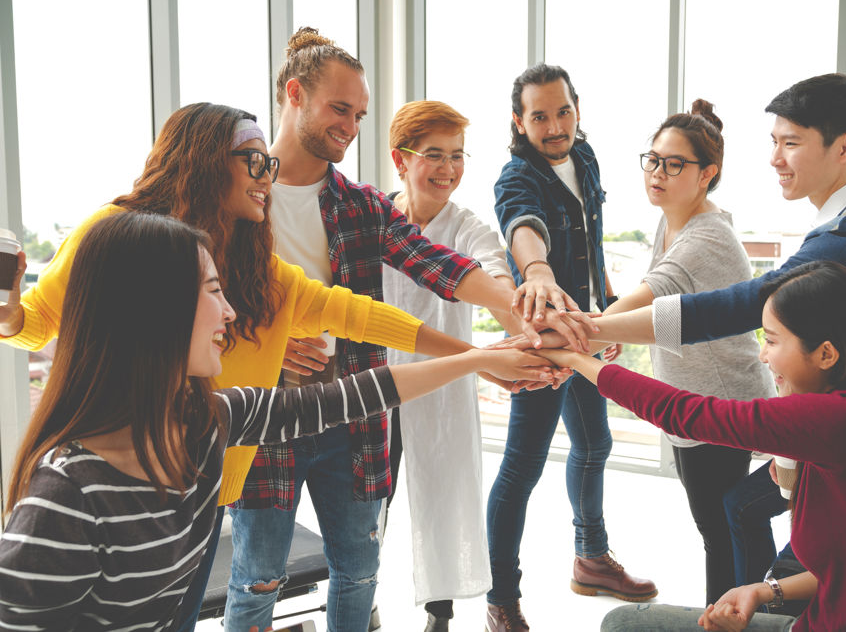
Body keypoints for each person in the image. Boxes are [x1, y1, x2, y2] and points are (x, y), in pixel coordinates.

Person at [0, 103, 472, 630]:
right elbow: (37, 323)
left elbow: (354, 330)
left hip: (205, 482)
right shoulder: (120, 240)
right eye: (254, 161)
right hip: (144, 470)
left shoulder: (229, 383)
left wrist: (475, 357)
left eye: (267, 164)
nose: (268, 175)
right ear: (203, 160)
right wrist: (12, 312)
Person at [505, 73, 846, 602]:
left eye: (791, 144)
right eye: (774, 142)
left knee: (811, 577)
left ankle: (759, 606)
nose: (775, 158)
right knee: (743, 507)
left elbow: (738, 305)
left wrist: (588, 332)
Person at [0, 211, 555, 631]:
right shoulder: (66, 498)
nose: (231, 311)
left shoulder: (204, 422)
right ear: (156, 311)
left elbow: (350, 396)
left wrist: (481, 359)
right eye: (215, 292)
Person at [231, 29, 584, 632]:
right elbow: (206, 291)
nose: (351, 125)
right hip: (269, 419)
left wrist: (528, 306)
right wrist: (264, 343)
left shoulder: (361, 206)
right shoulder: (238, 197)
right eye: (340, 109)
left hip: (359, 415)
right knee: (258, 578)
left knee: (359, 573)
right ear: (294, 94)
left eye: (359, 114)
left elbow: (444, 267)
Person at [540, 261, 846, 631]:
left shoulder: (842, 421)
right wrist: (764, 590)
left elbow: (689, 414)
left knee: (623, 624)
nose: (762, 356)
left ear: (826, 354)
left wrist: (577, 360)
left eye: (772, 341)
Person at [487, 63, 654, 631]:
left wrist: (609, 317)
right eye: (540, 116)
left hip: (590, 329)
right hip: (549, 343)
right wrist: (535, 270)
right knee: (520, 469)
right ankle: (501, 599)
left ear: (577, 109)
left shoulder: (584, 157)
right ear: (519, 121)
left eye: (563, 111)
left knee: (595, 444)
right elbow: (522, 226)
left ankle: (591, 557)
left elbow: (591, 245)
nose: (554, 125)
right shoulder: (517, 177)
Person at [601, 100, 774, 603]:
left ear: (707, 175)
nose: (657, 172)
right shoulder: (673, 217)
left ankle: (734, 615)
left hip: (719, 407)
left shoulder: (708, 238)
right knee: (724, 527)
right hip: (693, 403)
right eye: (653, 160)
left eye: (674, 164)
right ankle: (745, 611)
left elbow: (648, 298)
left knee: (720, 532)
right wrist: (608, 325)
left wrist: (587, 329)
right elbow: (647, 296)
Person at [380, 100, 528, 631]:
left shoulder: (465, 225)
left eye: (458, 156)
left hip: (442, 384)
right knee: (373, 499)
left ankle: (438, 613)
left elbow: (493, 274)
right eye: (434, 155)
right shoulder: (377, 218)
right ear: (400, 160)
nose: (448, 169)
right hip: (376, 384)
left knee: (444, 495)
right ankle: (362, 593)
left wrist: (526, 332)